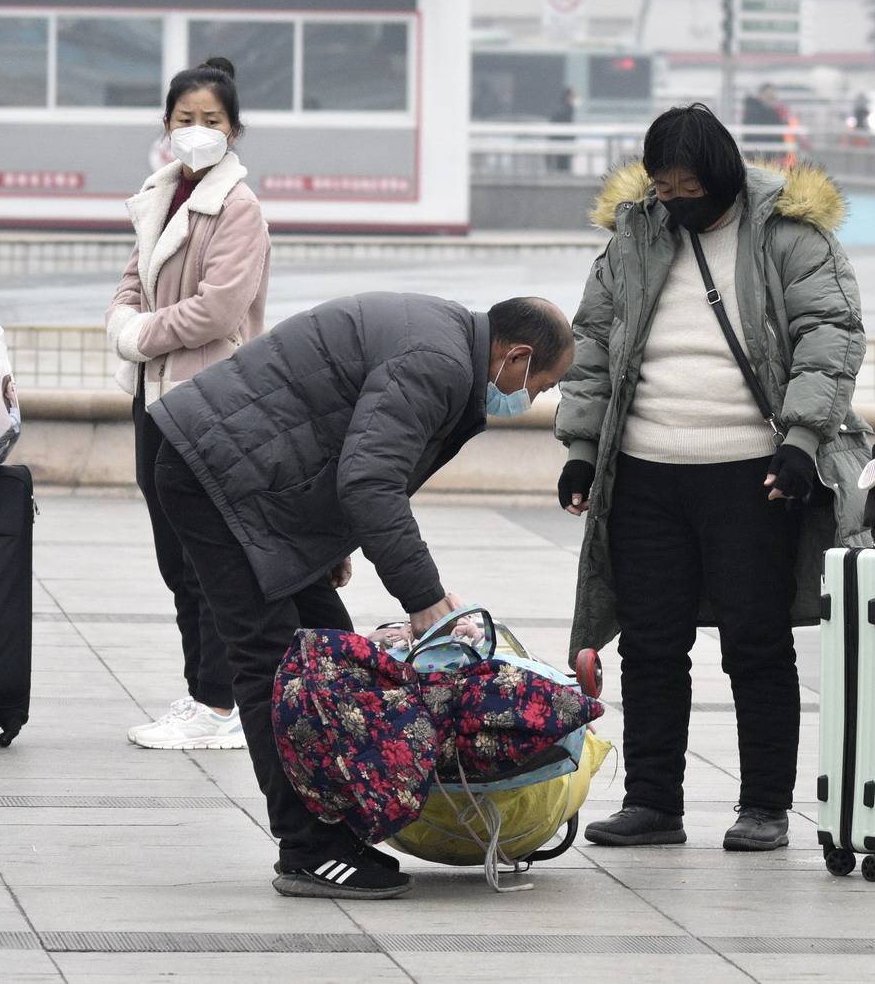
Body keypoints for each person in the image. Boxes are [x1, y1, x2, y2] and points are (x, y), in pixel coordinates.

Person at [151, 293, 573, 899]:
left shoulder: (446, 342)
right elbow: (370, 479)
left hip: (258, 478)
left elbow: (344, 435)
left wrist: (327, 541)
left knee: (332, 657)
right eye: (540, 385)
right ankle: (307, 850)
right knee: (274, 663)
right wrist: (423, 597)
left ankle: (335, 829)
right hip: (219, 475)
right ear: (517, 357)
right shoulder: (442, 361)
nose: (531, 399)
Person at [556, 104, 870, 852]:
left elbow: (830, 335)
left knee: (756, 643)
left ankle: (765, 804)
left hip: (750, 475)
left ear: (723, 175)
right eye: (664, 189)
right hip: (642, 470)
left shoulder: (789, 233)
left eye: (690, 187)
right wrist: (579, 445)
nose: (677, 201)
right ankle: (653, 801)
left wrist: (799, 440)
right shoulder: (636, 231)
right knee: (650, 643)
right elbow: (594, 339)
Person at [107, 57, 268, 751]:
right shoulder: (157, 194)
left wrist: (140, 332)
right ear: (165, 127)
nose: (196, 132)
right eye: (184, 120)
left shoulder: (239, 207)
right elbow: (130, 281)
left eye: (211, 121)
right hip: (155, 393)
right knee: (176, 555)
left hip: (207, 397)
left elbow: (219, 308)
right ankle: (202, 692)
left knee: (208, 554)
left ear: (233, 130)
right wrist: (122, 320)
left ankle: (222, 701)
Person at [548, 86, 577, 172]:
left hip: (563, 143)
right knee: (562, 167)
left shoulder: (565, 109)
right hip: (561, 143)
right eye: (572, 96)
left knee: (563, 167)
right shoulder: (564, 110)